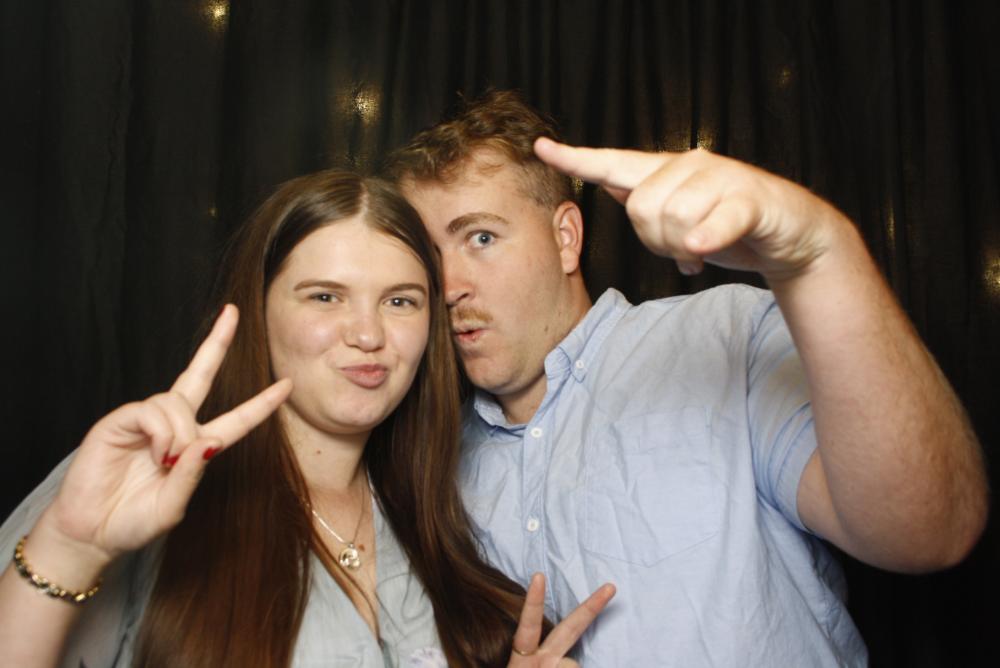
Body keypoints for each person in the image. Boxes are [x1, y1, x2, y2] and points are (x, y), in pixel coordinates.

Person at [385, 90, 989, 665]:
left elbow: (929, 531)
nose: (449, 287)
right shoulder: (433, 459)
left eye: (481, 237)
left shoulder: (724, 340)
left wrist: (820, 254)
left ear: (565, 238)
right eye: (428, 257)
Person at [0, 169, 614, 667]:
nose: (368, 334)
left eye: (400, 301)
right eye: (325, 296)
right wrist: (69, 549)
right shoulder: (137, 485)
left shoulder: (434, 518)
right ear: (258, 310)